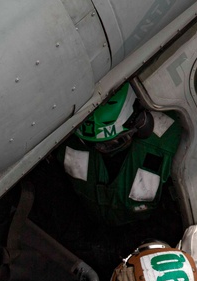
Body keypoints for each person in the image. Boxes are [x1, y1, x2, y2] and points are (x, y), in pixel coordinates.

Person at [55, 82, 182, 227]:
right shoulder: (68, 135)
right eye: (93, 143)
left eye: (111, 143)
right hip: (83, 218)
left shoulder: (167, 140)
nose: (101, 149)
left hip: (139, 229)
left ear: (140, 123)